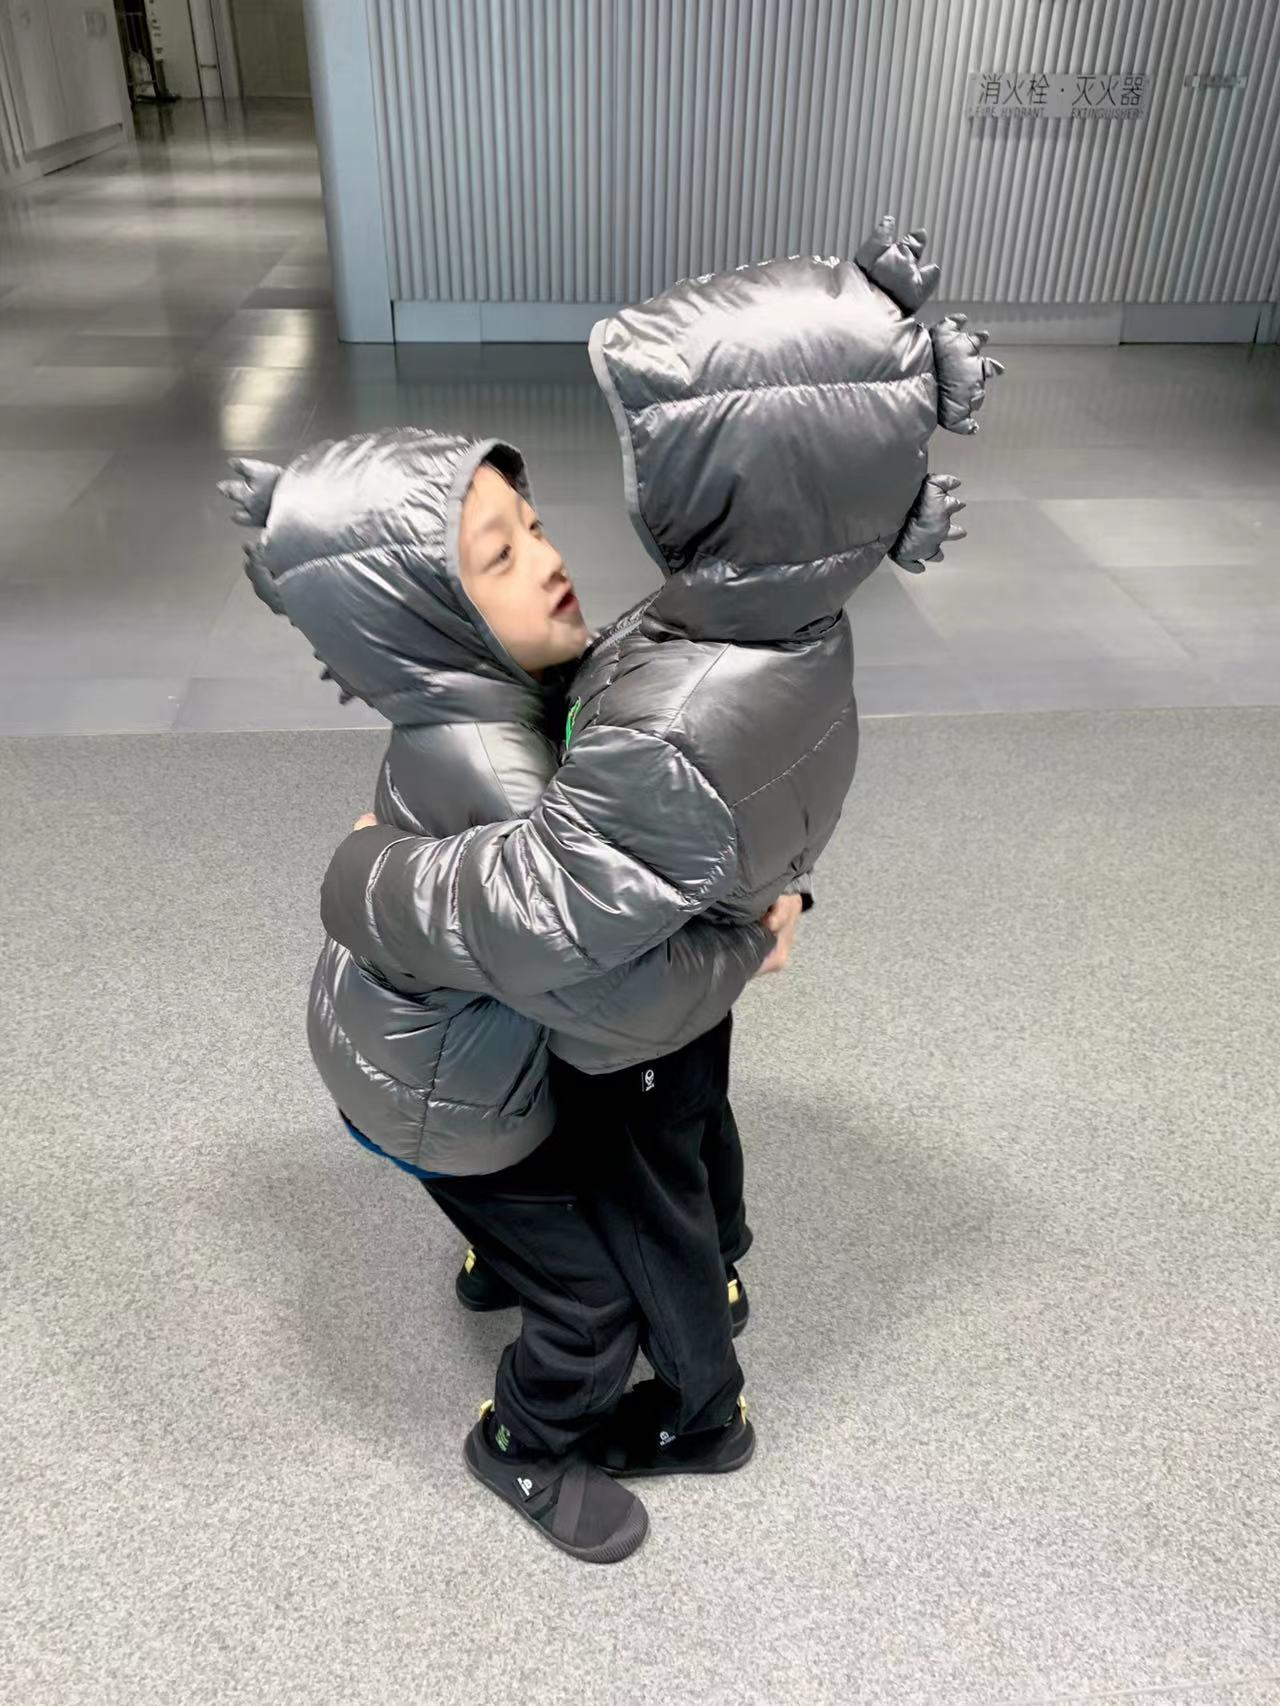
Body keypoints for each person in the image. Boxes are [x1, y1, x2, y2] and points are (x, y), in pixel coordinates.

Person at [318, 223, 1002, 1491]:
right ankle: (719, 1262)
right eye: (508, 545)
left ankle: (700, 1410)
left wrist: (366, 878)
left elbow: (542, 923)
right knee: (693, 1146)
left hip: (647, 994)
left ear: (745, 474)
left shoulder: (679, 710)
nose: (566, 543)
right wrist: (755, 913)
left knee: (647, 1216)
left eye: (657, 450)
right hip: (684, 950)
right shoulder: (773, 618)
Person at [221, 431, 797, 1564]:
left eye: (531, 526)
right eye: (499, 555)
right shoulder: (498, 779)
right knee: (593, 1309)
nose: (545, 557)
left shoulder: (486, 702)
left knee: (563, 1171)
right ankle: (520, 1445)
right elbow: (612, 991)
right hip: (445, 1104)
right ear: (431, 619)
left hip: (425, 1044)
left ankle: (498, 1253)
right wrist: (747, 947)